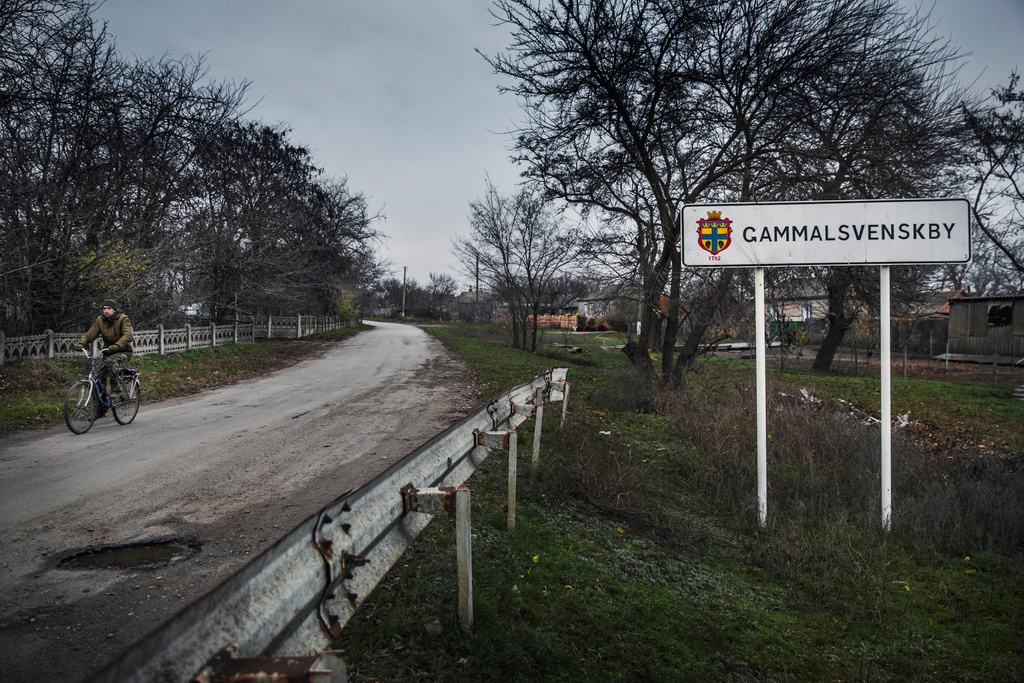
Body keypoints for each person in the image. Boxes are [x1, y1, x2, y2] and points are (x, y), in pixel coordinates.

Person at [73, 299, 134, 416]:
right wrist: (81, 343)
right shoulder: (100, 320)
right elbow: (91, 333)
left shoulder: (122, 318)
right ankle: (101, 409)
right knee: (97, 378)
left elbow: (128, 335)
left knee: (111, 362)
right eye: (104, 308)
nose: (106, 311)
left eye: (109, 308)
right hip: (108, 352)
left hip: (123, 351)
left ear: (114, 310)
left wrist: (117, 345)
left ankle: (116, 389)